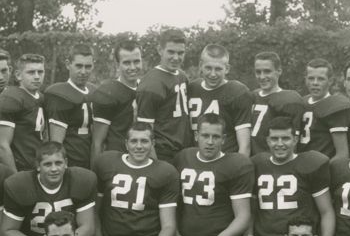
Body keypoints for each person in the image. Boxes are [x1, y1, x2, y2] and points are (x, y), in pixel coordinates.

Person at [247, 116, 334, 236]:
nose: (280, 144)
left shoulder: (310, 164)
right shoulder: (257, 163)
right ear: (267, 141)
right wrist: (248, 232)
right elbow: (252, 207)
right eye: (274, 139)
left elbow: (326, 210)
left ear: (295, 139)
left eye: (285, 138)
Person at [135, 30, 192, 164]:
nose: (176, 58)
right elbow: (145, 133)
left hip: (183, 150)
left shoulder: (181, 75)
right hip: (163, 153)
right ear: (160, 50)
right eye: (171, 52)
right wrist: (156, 166)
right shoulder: (151, 84)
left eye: (180, 53)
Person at [188, 44, 253, 156]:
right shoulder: (192, 88)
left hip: (226, 162)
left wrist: (238, 168)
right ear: (200, 66)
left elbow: (245, 146)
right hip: (196, 162)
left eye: (218, 69)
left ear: (227, 68)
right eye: (208, 68)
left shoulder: (237, 92)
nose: (213, 74)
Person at [0, 53, 47, 175]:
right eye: (31, 72)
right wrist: (15, 177)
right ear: (18, 75)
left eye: (40, 72)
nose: (37, 76)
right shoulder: (11, 98)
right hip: (20, 168)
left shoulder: (42, 98)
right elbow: (2, 145)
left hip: (38, 167)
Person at [45, 43, 97, 168]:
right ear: (68, 64)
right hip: (70, 162)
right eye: (78, 66)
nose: (83, 71)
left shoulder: (93, 90)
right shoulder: (60, 94)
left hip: (89, 159)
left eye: (88, 66)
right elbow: (56, 143)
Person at [91, 39, 143, 156]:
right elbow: (97, 142)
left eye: (136, 61)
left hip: (143, 157)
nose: (133, 67)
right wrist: (96, 172)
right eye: (126, 63)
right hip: (117, 159)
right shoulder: (108, 93)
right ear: (117, 64)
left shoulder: (146, 88)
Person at [249, 51, 305, 156]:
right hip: (251, 159)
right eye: (258, 72)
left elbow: (292, 142)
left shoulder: (288, 99)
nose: (262, 76)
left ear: (279, 71)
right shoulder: (252, 96)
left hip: (273, 162)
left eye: (267, 71)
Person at [299, 58, 350, 160]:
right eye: (311, 78)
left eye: (321, 79)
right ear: (305, 79)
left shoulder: (334, 106)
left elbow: (342, 154)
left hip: (321, 167)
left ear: (330, 81)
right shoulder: (301, 102)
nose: (315, 83)